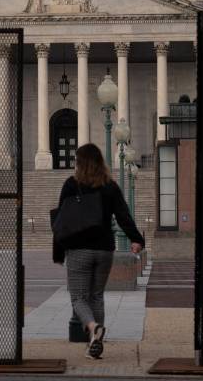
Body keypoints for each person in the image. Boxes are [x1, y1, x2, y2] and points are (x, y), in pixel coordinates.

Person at [53, 143, 145, 360]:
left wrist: (58, 253)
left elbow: (61, 222)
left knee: (78, 298)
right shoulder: (110, 186)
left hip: (78, 248)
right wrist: (136, 239)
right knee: (96, 296)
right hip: (104, 249)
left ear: (79, 163)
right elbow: (124, 216)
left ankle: (93, 327)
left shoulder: (71, 185)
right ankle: (95, 344)